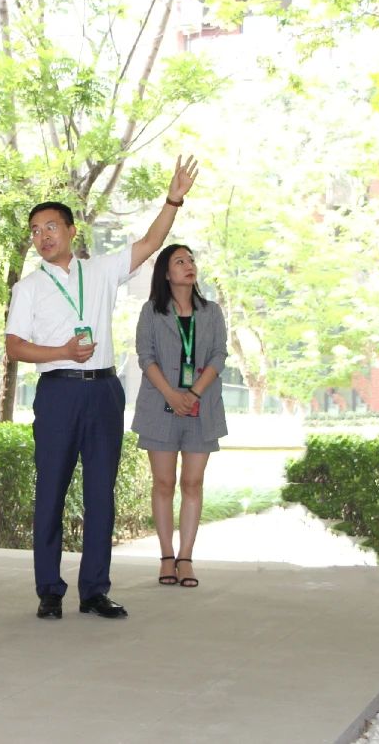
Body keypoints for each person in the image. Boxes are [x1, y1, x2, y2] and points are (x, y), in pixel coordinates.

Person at [4, 155, 199, 620]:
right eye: (35, 231)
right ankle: (49, 590)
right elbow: (14, 347)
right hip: (58, 392)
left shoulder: (101, 271)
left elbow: (150, 243)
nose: (43, 237)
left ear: (72, 231)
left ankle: (94, 590)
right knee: (51, 491)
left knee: (100, 494)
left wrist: (173, 200)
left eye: (51, 227)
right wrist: (62, 352)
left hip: (104, 392)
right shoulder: (28, 288)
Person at [131, 244, 227, 589]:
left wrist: (194, 393)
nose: (189, 265)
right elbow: (145, 357)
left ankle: (186, 558)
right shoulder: (151, 311)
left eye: (191, 260)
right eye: (180, 261)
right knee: (163, 483)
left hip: (202, 407)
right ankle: (166, 557)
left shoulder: (211, 312)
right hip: (160, 405)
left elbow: (219, 356)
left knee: (192, 483)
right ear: (166, 273)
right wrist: (172, 395)